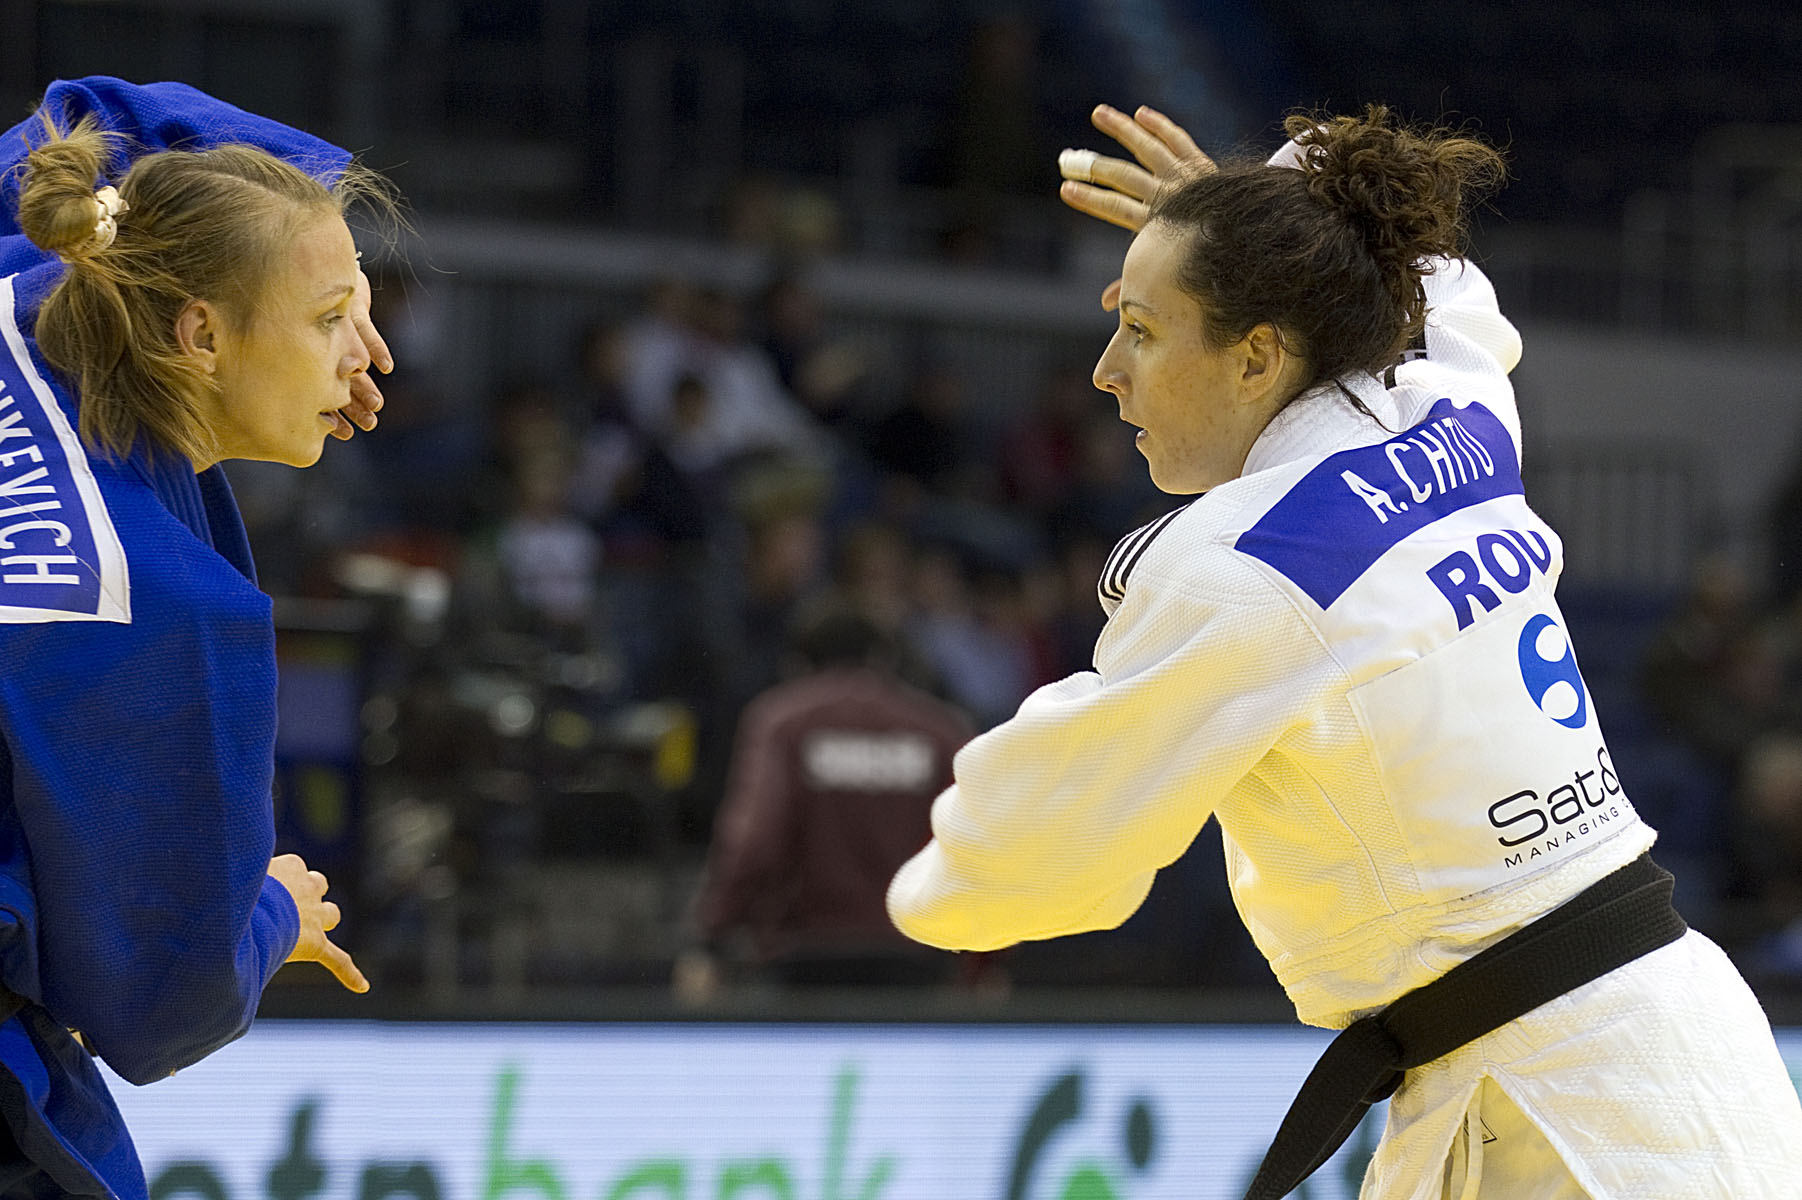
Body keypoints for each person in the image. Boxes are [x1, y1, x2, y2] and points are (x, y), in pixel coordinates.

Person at [887, 101, 1802, 1198]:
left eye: (1139, 327)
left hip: (1556, 1115)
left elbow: (1041, 848)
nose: (1103, 371)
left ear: (1257, 355)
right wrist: (1250, 210)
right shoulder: (1453, 404)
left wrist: (921, 896)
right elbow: (1439, 277)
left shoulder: (1244, 565)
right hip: (1670, 1044)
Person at [0, 77, 392, 1200]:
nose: (360, 354)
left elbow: (97, 117)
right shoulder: (157, 610)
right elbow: (159, 1004)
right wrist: (274, 912)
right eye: (329, 321)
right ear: (200, 332)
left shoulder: (31, 286)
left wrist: (322, 256)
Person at [677, 604, 972, 999]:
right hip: (914, 950)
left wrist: (711, 937)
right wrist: (986, 958)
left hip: (804, 952)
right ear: (883, 659)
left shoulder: (783, 722)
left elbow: (753, 841)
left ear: (798, 663)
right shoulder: (937, 728)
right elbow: (976, 840)